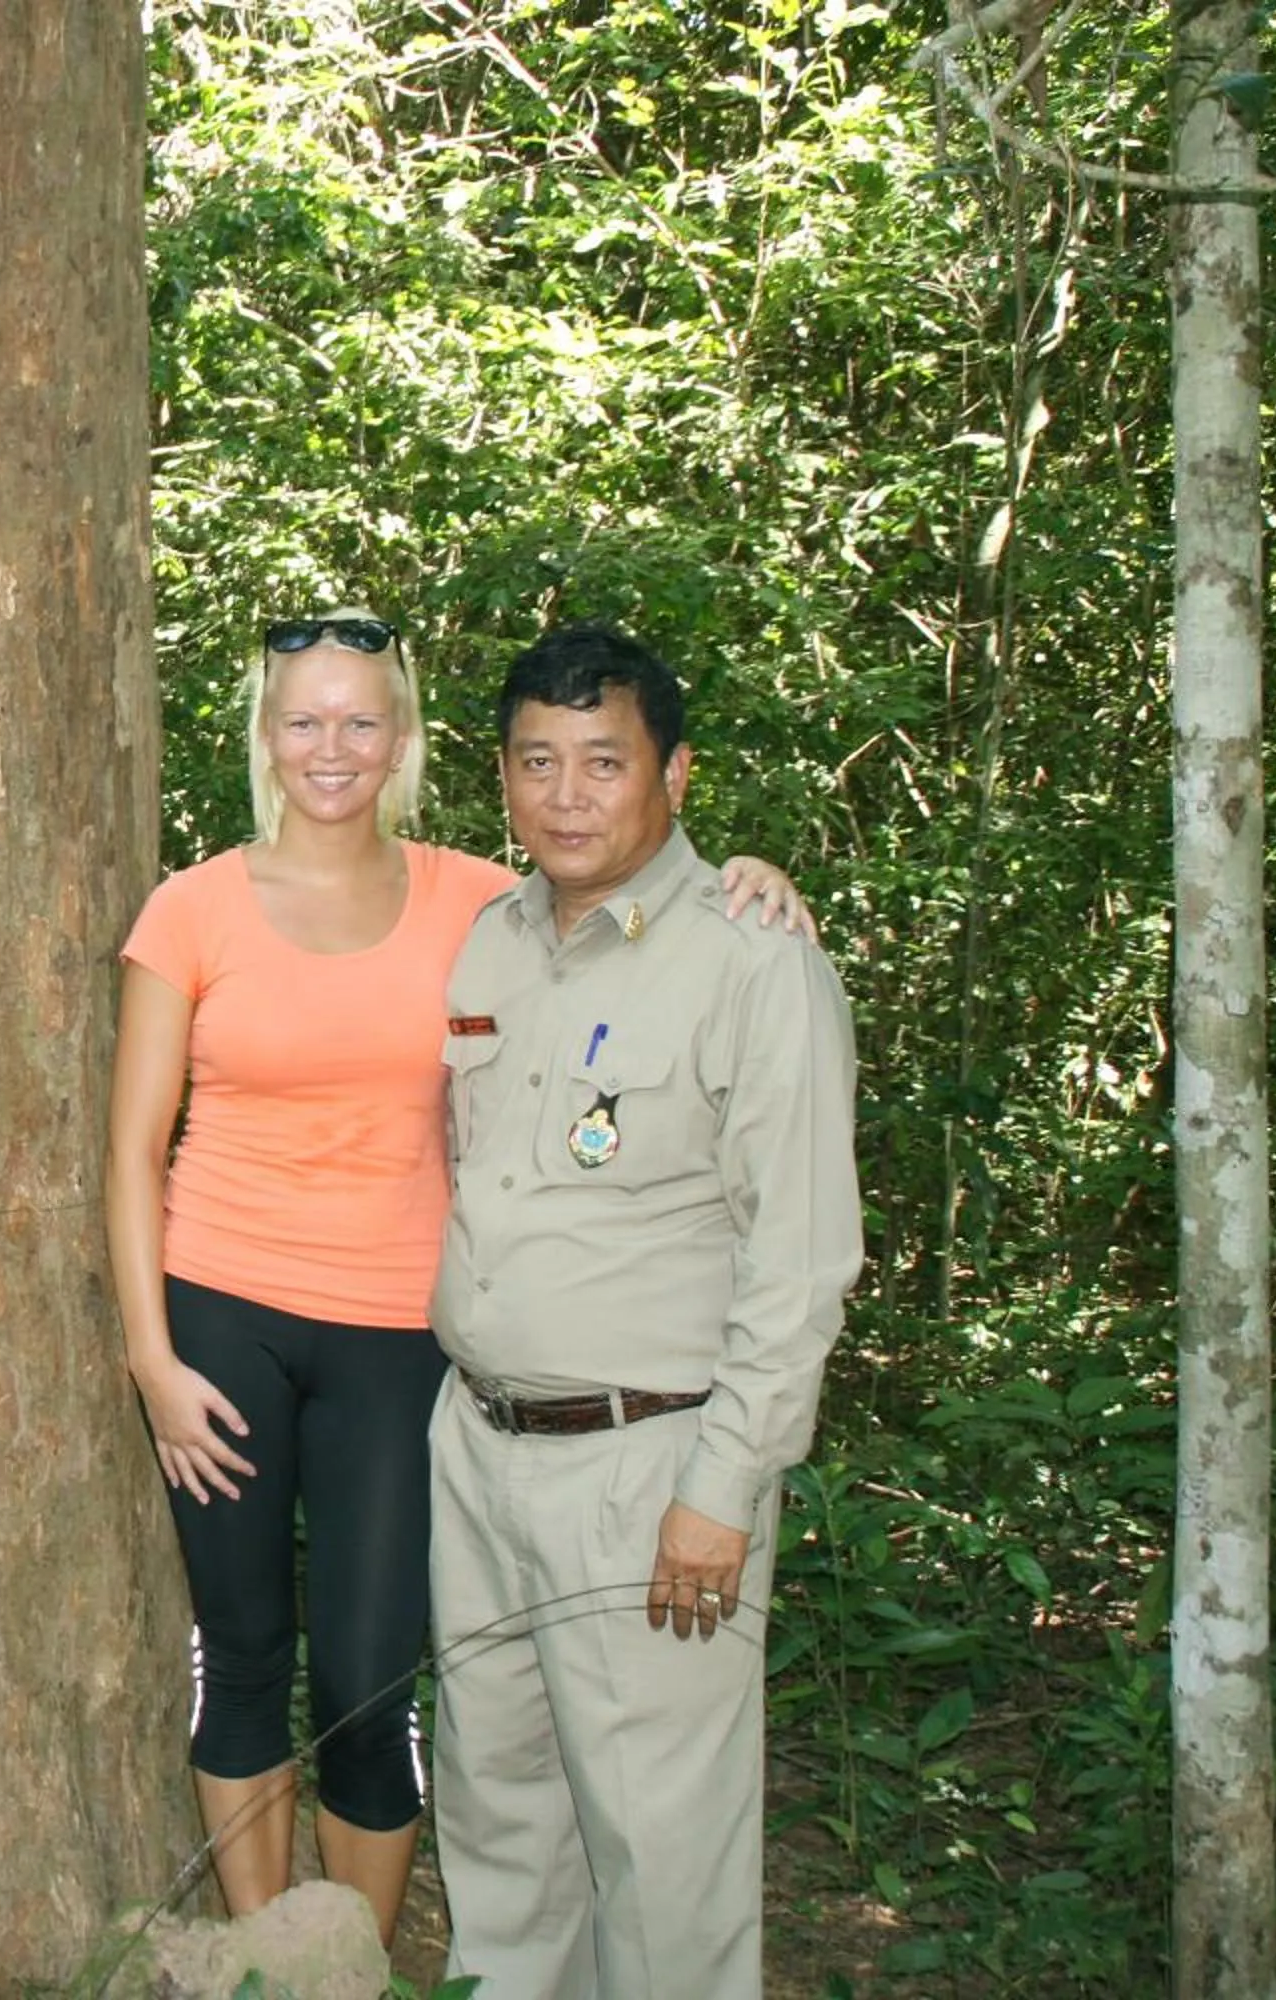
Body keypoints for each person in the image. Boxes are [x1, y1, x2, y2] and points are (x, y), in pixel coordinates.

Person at [106, 612, 806, 1945]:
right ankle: (267, 1961)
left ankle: (350, 1960)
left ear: (403, 741)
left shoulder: (479, 902)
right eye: (303, 720)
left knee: (369, 1679)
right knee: (241, 1656)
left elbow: (634, 914)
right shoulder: (190, 908)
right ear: (264, 737)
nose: (331, 747)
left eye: (360, 721)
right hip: (220, 1318)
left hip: (400, 1335)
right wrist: (153, 1359)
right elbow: (132, 1150)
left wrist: (749, 881)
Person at [423, 622, 862, 1999]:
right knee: (499, 1821)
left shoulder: (752, 960)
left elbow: (801, 1261)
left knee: (661, 1854)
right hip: (479, 1448)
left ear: (673, 774)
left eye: (603, 762)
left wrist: (723, 1488)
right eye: (536, 761)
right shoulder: (488, 941)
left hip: (650, 1466)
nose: (566, 796)